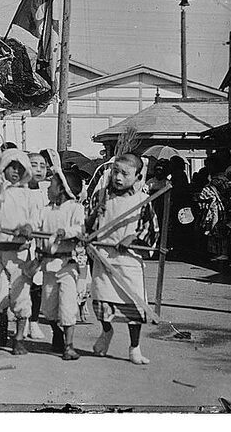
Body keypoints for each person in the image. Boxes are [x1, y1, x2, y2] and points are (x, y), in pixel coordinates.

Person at [87, 154, 158, 365]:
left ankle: (134, 347)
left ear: (138, 176)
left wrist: (133, 237)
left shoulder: (143, 201)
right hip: (103, 257)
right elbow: (87, 224)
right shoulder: (100, 196)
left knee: (133, 305)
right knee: (102, 303)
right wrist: (93, 218)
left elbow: (151, 229)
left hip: (129, 260)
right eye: (115, 171)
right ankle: (106, 332)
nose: (118, 177)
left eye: (125, 173)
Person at [0, 148, 39, 355]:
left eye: (19, 167)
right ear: (2, 168)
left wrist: (28, 228)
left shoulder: (30, 196)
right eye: (10, 166)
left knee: (21, 296)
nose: (15, 171)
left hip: (20, 254)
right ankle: (2, 323)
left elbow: (36, 220)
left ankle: (19, 338)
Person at [36, 165, 86, 361]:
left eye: (51, 185)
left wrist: (65, 232)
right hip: (48, 265)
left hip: (67, 265)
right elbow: (35, 225)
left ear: (63, 189)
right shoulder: (45, 210)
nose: (48, 189)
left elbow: (79, 229)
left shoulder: (75, 208)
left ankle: (69, 345)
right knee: (48, 307)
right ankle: (57, 333)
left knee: (67, 305)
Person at [26, 152, 50, 342]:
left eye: (43, 166)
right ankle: (21, 320)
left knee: (37, 285)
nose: (39, 169)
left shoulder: (46, 191)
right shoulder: (19, 190)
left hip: (40, 243)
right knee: (20, 285)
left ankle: (34, 321)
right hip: (23, 243)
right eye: (34, 165)